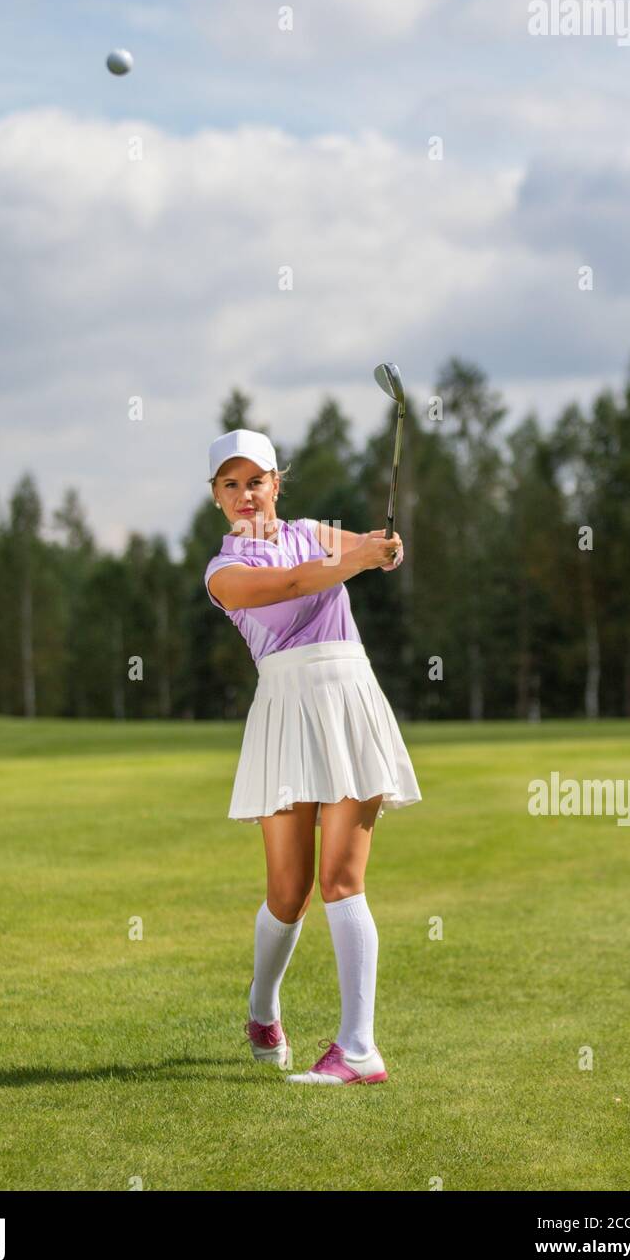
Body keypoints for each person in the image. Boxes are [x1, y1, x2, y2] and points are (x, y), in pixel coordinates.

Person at [203, 428, 422, 1085]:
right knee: (289, 891)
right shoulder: (224, 572)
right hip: (286, 707)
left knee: (343, 882)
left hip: (351, 694)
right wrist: (357, 559)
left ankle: (359, 1049)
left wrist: (385, 550)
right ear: (215, 496)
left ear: (277, 482)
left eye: (256, 480)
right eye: (230, 484)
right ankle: (262, 1005)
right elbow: (294, 582)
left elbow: (361, 547)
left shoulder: (313, 532)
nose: (246, 494)